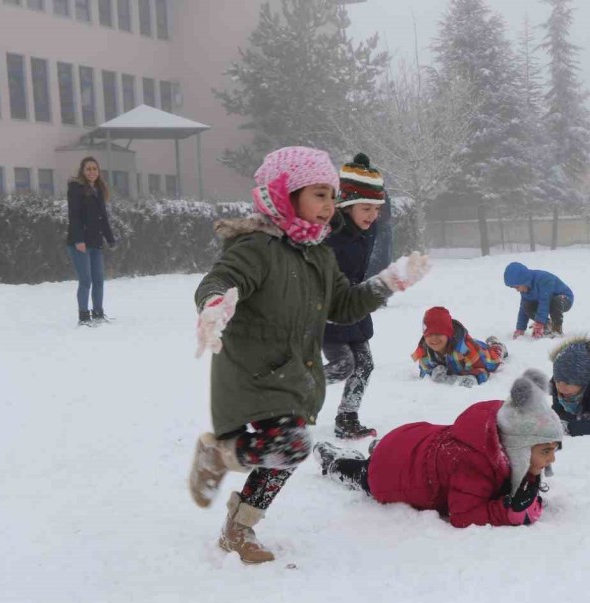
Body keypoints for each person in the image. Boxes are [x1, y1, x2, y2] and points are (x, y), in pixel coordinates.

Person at [186, 146, 431, 564]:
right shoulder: (256, 246)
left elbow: (343, 305)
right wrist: (214, 305)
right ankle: (218, 455)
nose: (329, 206)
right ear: (286, 192)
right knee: (293, 445)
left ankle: (237, 529)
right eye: (319, 194)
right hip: (254, 373)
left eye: (332, 196)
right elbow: (221, 278)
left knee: (285, 454)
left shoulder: (318, 252)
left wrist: (388, 282)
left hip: (294, 374)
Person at [314, 370, 561, 528]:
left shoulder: (504, 427)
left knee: (393, 455)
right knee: (365, 473)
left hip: (412, 440)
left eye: (552, 450)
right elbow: (463, 515)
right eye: (545, 451)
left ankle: (380, 449)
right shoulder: (473, 463)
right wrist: (505, 512)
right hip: (392, 472)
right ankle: (335, 462)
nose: (550, 461)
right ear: (518, 447)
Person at [322, 153, 387, 441]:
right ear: (347, 205)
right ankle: (292, 391)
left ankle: (347, 417)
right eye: (366, 208)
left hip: (355, 305)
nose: (372, 215)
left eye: (376, 208)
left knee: (365, 363)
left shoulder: (368, 229)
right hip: (329, 310)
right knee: (342, 366)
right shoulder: (328, 231)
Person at [66, 156, 116, 326]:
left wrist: (110, 238)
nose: (92, 172)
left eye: (95, 169)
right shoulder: (76, 188)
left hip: (95, 242)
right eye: (88, 169)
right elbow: (74, 216)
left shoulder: (99, 190)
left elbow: (103, 217)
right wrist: (79, 240)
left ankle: (98, 312)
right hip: (80, 243)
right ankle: (83, 315)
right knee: (86, 280)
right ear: (82, 170)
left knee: (99, 280)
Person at [411, 306, 508, 388]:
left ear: (448, 333)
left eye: (438, 334)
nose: (433, 339)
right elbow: (424, 371)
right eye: (429, 334)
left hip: (480, 354)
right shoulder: (424, 351)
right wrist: (432, 374)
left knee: (495, 357)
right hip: (468, 351)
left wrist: (472, 377)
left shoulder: (466, 350)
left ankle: (496, 345)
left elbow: (483, 371)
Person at [503, 262, 574, 339]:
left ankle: (556, 330)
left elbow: (544, 301)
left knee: (554, 302)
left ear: (524, 281)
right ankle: (547, 324)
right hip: (547, 301)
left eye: (517, 287)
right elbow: (523, 309)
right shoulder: (525, 288)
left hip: (564, 298)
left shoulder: (544, 279)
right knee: (527, 305)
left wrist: (539, 323)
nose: (517, 290)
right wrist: (520, 328)